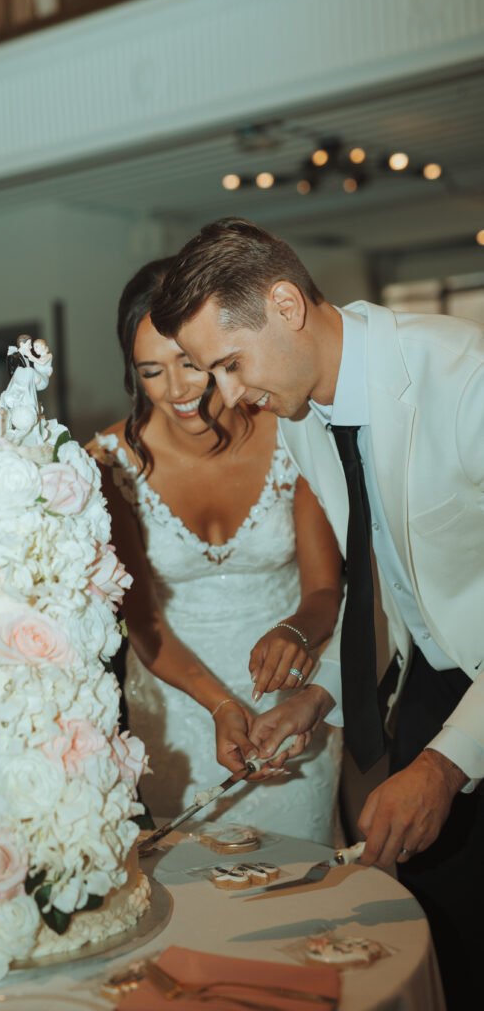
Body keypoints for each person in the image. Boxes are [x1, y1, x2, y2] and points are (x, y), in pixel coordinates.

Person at [149, 216, 484, 1006]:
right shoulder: (299, 418)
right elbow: (389, 589)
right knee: (449, 938)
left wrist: (447, 761)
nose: (225, 398)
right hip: (436, 693)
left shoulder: (463, 376)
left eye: (228, 365)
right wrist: (319, 692)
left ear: (285, 304)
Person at [88, 258, 344, 844]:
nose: (177, 391)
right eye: (151, 371)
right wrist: (219, 706)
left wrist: (297, 634)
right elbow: (140, 616)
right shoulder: (106, 463)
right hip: (176, 701)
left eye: (189, 364)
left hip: (290, 698)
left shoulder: (291, 429)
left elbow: (326, 589)